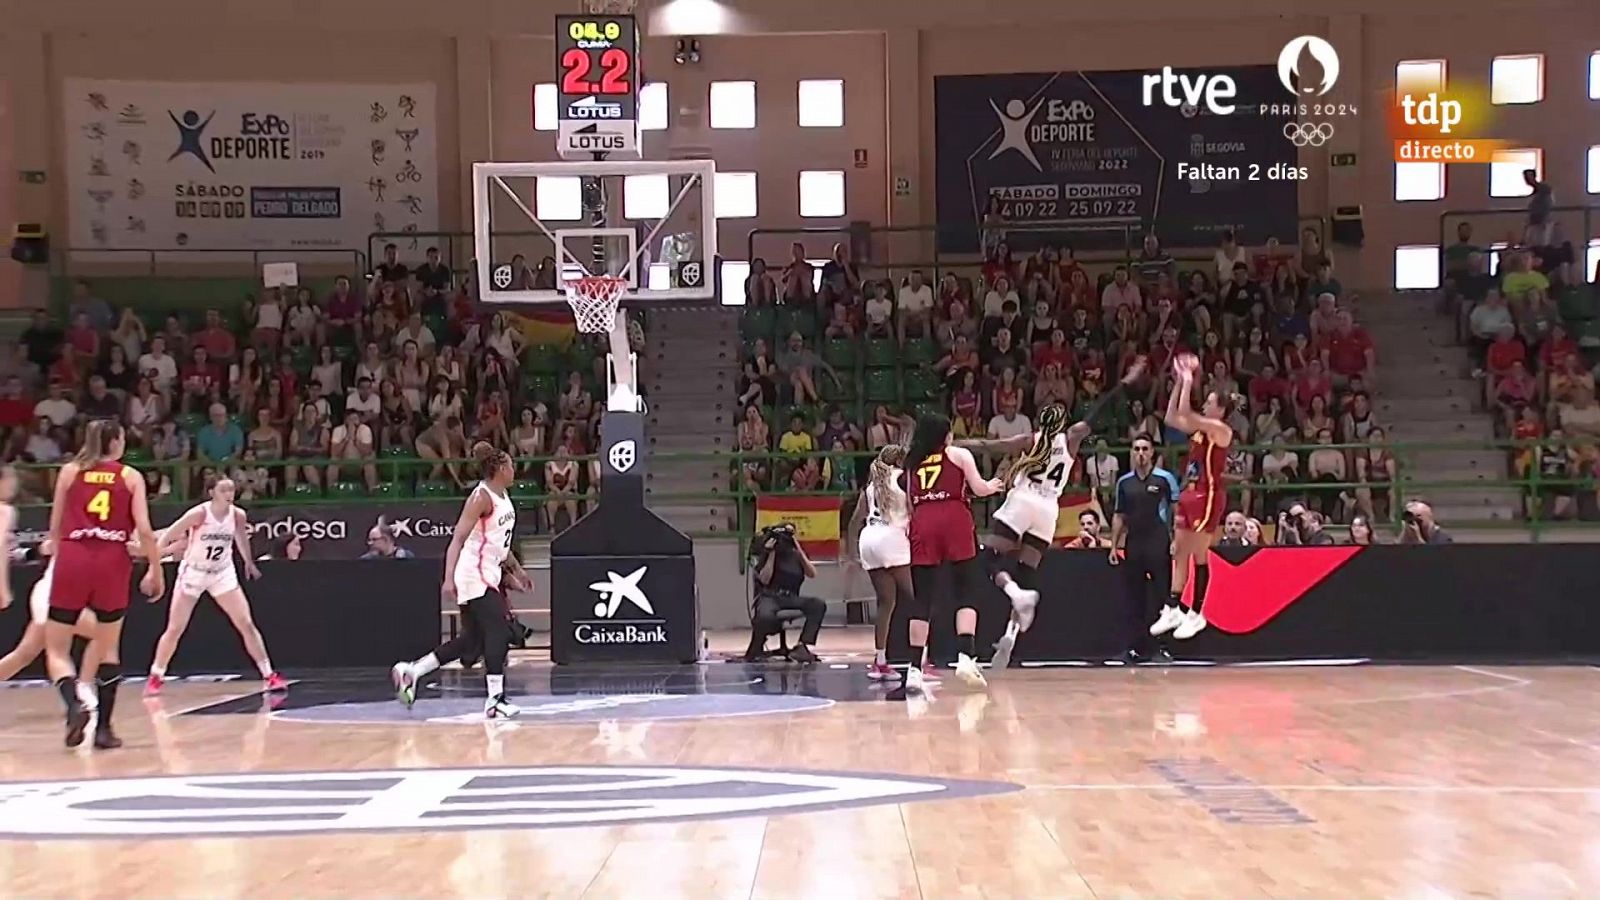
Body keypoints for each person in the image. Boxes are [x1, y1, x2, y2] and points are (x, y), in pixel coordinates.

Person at [958, 359, 1147, 671]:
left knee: (991, 559)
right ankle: (1011, 633)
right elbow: (1099, 409)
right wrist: (1124, 382)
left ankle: (1014, 595)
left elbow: (988, 446)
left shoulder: (1030, 440)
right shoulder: (1071, 439)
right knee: (1027, 572)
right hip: (1049, 509)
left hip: (1024, 500)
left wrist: (953, 444)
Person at [43, 420, 164, 748]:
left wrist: (55, 551)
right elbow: (145, 530)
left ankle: (73, 704)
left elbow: (54, 528)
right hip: (112, 561)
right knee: (108, 646)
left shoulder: (69, 472)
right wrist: (155, 569)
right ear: (115, 443)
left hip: (73, 557)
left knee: (55, 647)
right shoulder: (129, 477)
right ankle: (104, 730)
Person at [391, 443, 530, 719]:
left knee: (469, 641)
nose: (514, 470)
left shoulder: (503, 495)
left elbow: (500, 542)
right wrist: (448, 578)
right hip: (473, 574)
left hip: (489, 572)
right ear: (501, 469)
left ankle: (412, 671)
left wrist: (516, 570)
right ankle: (495, 699)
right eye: (512, 465)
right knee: (499, 631)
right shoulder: (480, 497)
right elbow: (457, 540)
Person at [146, 478, 283, 695]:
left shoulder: (238, 515)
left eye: (231, 489)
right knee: (175, 628)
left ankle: (269, 675)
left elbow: (240, 536)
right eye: (224, 489)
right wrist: (153, 568)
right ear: (212, 492)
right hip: (194, 572)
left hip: (222, 572)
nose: (229, 493)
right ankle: (156, 676)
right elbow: (166, 537)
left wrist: (248, 561)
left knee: (246, 624)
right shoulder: (199, 514)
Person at [902, 414, 1005, 693]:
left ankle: (913, 669)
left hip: (923, 520)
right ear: (945, 435)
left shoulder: (912, 463)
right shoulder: (958, 454)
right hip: (954, 518)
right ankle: (965, 657)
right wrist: (994, 485)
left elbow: (910, 501)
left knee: (922, 599)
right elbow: (979, 488)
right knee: (966, 592)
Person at [1151, 353, 1234, 641]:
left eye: (1210, 401)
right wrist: (1177, 383)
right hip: (1189, 492)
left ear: (1221, 410)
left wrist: (1188, 380)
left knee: (1199, 554)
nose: (1206, 403)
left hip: (1208, 496)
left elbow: (1186, 412)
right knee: (1180, 552)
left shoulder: (1221, 431)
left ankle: (1196, 614)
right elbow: (1173, 417)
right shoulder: (1201, 430)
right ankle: (1173, 607)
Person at [1108, 434, 1181, 664]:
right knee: (1135, 598)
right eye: (1136, 448)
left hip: (1158, 540)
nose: (1140, 453)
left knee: (1163, 596)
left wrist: (1176, 540)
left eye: (1145, 449)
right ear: (1132, 452)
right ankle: (1136, 649)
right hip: (1134, 544)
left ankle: (1163, 648)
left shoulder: (1164, 479)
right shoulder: (1124, 483)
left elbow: (1177, 513)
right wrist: (1113, 545)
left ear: (1152, 453)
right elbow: (1119, 515)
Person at [846, 445, 913, 681]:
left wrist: (850, 555)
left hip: (869, 539)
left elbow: (854, 523)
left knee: (886, 603)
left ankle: (880, 662)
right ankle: (921, 662)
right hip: (892, 538)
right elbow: (914, 513)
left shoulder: (871, 487)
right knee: (919, 598)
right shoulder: (905, 479)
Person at [747, 524, 826, 664]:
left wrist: (799, 550)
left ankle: (802, 646)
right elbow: (765, 580)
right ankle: (757, 646)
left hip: (790, 597)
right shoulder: (766, 553)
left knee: (818, 605)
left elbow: (812, 573)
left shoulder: (795, 555)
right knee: (764, 616)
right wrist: (771, 554)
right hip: (770, 596)